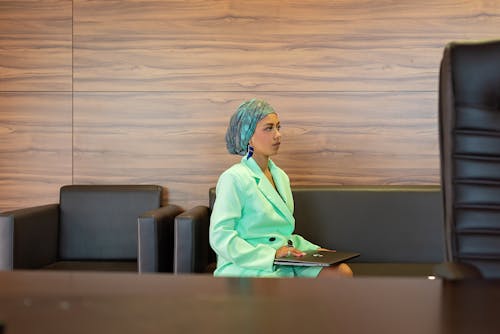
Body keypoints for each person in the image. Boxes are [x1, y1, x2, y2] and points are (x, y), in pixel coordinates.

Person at [209, 98, 353, 278]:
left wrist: (315, 252)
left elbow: (281, 233)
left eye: (278, 127)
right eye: (269, 128)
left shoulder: (280, 176)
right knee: (281, 286)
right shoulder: (234, 178)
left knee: (341, 272)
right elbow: (220, 237)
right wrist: (271, 255)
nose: (278, 135)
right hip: (249, 263)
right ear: (248, 136)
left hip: (285, 257)